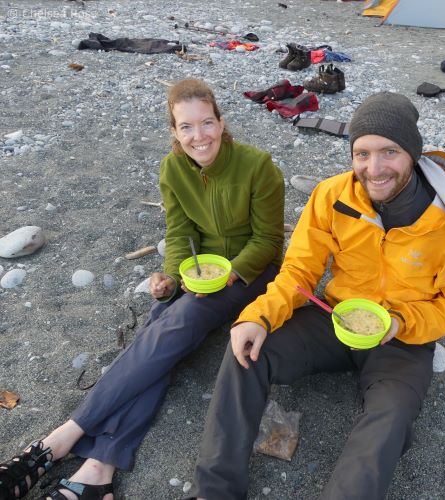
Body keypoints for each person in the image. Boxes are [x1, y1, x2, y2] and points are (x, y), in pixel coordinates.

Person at [0, 79, 285, 500]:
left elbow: (268, 241)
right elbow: (179, 229)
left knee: (175, 323)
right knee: (161, 322)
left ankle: (61, 438)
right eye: (186, 127)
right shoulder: (172, 169)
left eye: (207, 123)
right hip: (197, 270)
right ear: (174, 131)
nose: (198, 136)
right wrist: (170, 276)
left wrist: (228, 276)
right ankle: (99, 469)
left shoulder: (258, 166)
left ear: (222, 123)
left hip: (250, 272)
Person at [188, 92, 445, 499]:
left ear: (411, 154)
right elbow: (300, 270)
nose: (373, 169)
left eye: (389, 152)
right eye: (362, 153)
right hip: (337, 318)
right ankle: (215, 490)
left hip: (403, 335)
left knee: (391, 417)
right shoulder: (332, 195)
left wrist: (402, 323)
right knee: (246, 350)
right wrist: (258, 316)